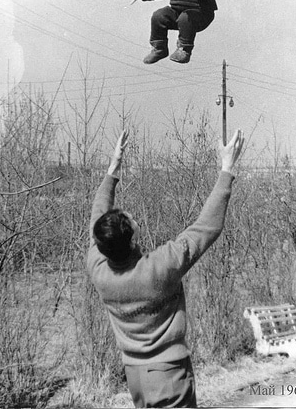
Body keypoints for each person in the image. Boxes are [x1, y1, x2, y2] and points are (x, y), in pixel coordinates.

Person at [87, 128, 244, 408]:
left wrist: (112, 170)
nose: (137, 220)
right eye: (133, 220)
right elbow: (206, 227)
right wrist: (227, 169)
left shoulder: (99, 268)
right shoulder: (159, 268)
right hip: (169, 374)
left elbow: (97, 221)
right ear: (132, 238)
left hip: (135, 377)